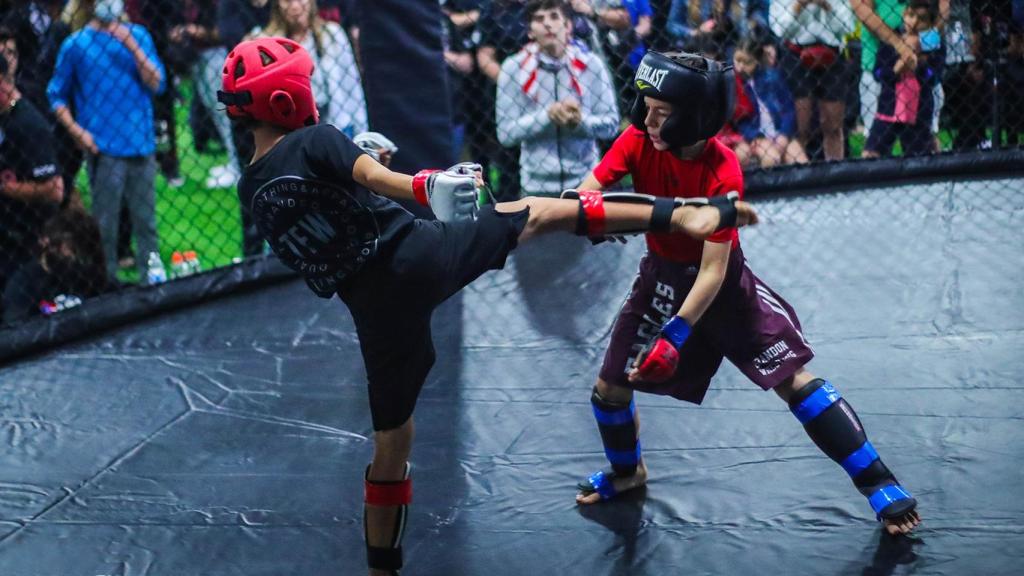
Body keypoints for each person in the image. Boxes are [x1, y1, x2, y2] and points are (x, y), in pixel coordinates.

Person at [216, 37, 757, 576]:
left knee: (391, 446)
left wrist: (358, 169)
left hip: (376, 312)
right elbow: (383, 182)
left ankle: (382, 568)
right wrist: (429, 184)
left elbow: (326, 229)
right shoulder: (317, 138)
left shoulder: (254, 190)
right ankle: (683, 216)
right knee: (540, 212)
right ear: (287, 99)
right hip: (420, 258)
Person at [572, 50, 921, 538]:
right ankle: (628, 473)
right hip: (661, 280)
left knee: (792, 379)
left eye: (662, 111)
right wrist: (595, 214)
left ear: (696, 117)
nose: (646, 118)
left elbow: (713, 271)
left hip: (723, 289)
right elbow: (587, 194)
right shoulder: (636, 140)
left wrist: (674, 336)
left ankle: (878, 481)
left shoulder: (723, 169)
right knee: (609, 390)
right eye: (645, 104)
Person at [47, 0, 166, 284]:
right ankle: (104, 282)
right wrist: (77, 132)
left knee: (146, 223)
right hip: (103, 147)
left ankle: (152, 278)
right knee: (104, 227)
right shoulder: (76, 44)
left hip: (141, 143)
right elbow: (55, 95)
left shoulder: (138, 35)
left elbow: (157, 83)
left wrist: (132, 47)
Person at [496, 0, 619, 197]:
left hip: (586, 182)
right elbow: (505, 134)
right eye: (539, 19)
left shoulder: (591, 65)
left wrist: (580, 122)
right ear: (530, 31)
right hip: (536, 187)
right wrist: (547, 116)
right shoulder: (513, 68)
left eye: (554, 16)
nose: (547, 24)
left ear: (568, 26)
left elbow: (611, 125)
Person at [0, 49, 63, 315]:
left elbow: (55, 190)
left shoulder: (29, 124)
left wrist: (12, 190)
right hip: (5, 237)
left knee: (16, 311)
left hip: (27, 242)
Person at [771, 0, 855, 160]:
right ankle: (797, 174)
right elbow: (781, 30)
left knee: (833, 126)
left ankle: (836, 173)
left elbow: (846, 28)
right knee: (801, 127)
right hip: (796, 54)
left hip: (833, 54)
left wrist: (827, 7)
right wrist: (799, 6)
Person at [863, 0, 945, 157]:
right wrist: (896, 70)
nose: (914, 22)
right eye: (911, 16)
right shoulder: (893, 38)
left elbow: (935, 77)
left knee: (919, 155)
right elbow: (878, 72)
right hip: (890, 107)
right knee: (871, 153)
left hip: (919, 110)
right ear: (904, 14)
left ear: (931, 22)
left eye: (921, 19)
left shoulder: (933, 42)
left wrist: (919, 66)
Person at [730, 37, 809, 167]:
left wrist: (784, 134)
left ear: (757, 62)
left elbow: (788, 110)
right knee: (771, 158)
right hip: (756, 134)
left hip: (778, 131)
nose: (740, 66)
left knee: (800, 162)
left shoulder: (772, 77)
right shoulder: (734, 82)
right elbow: (740, 119)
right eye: (737, 61)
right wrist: (756, 136)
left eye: (747, 62)